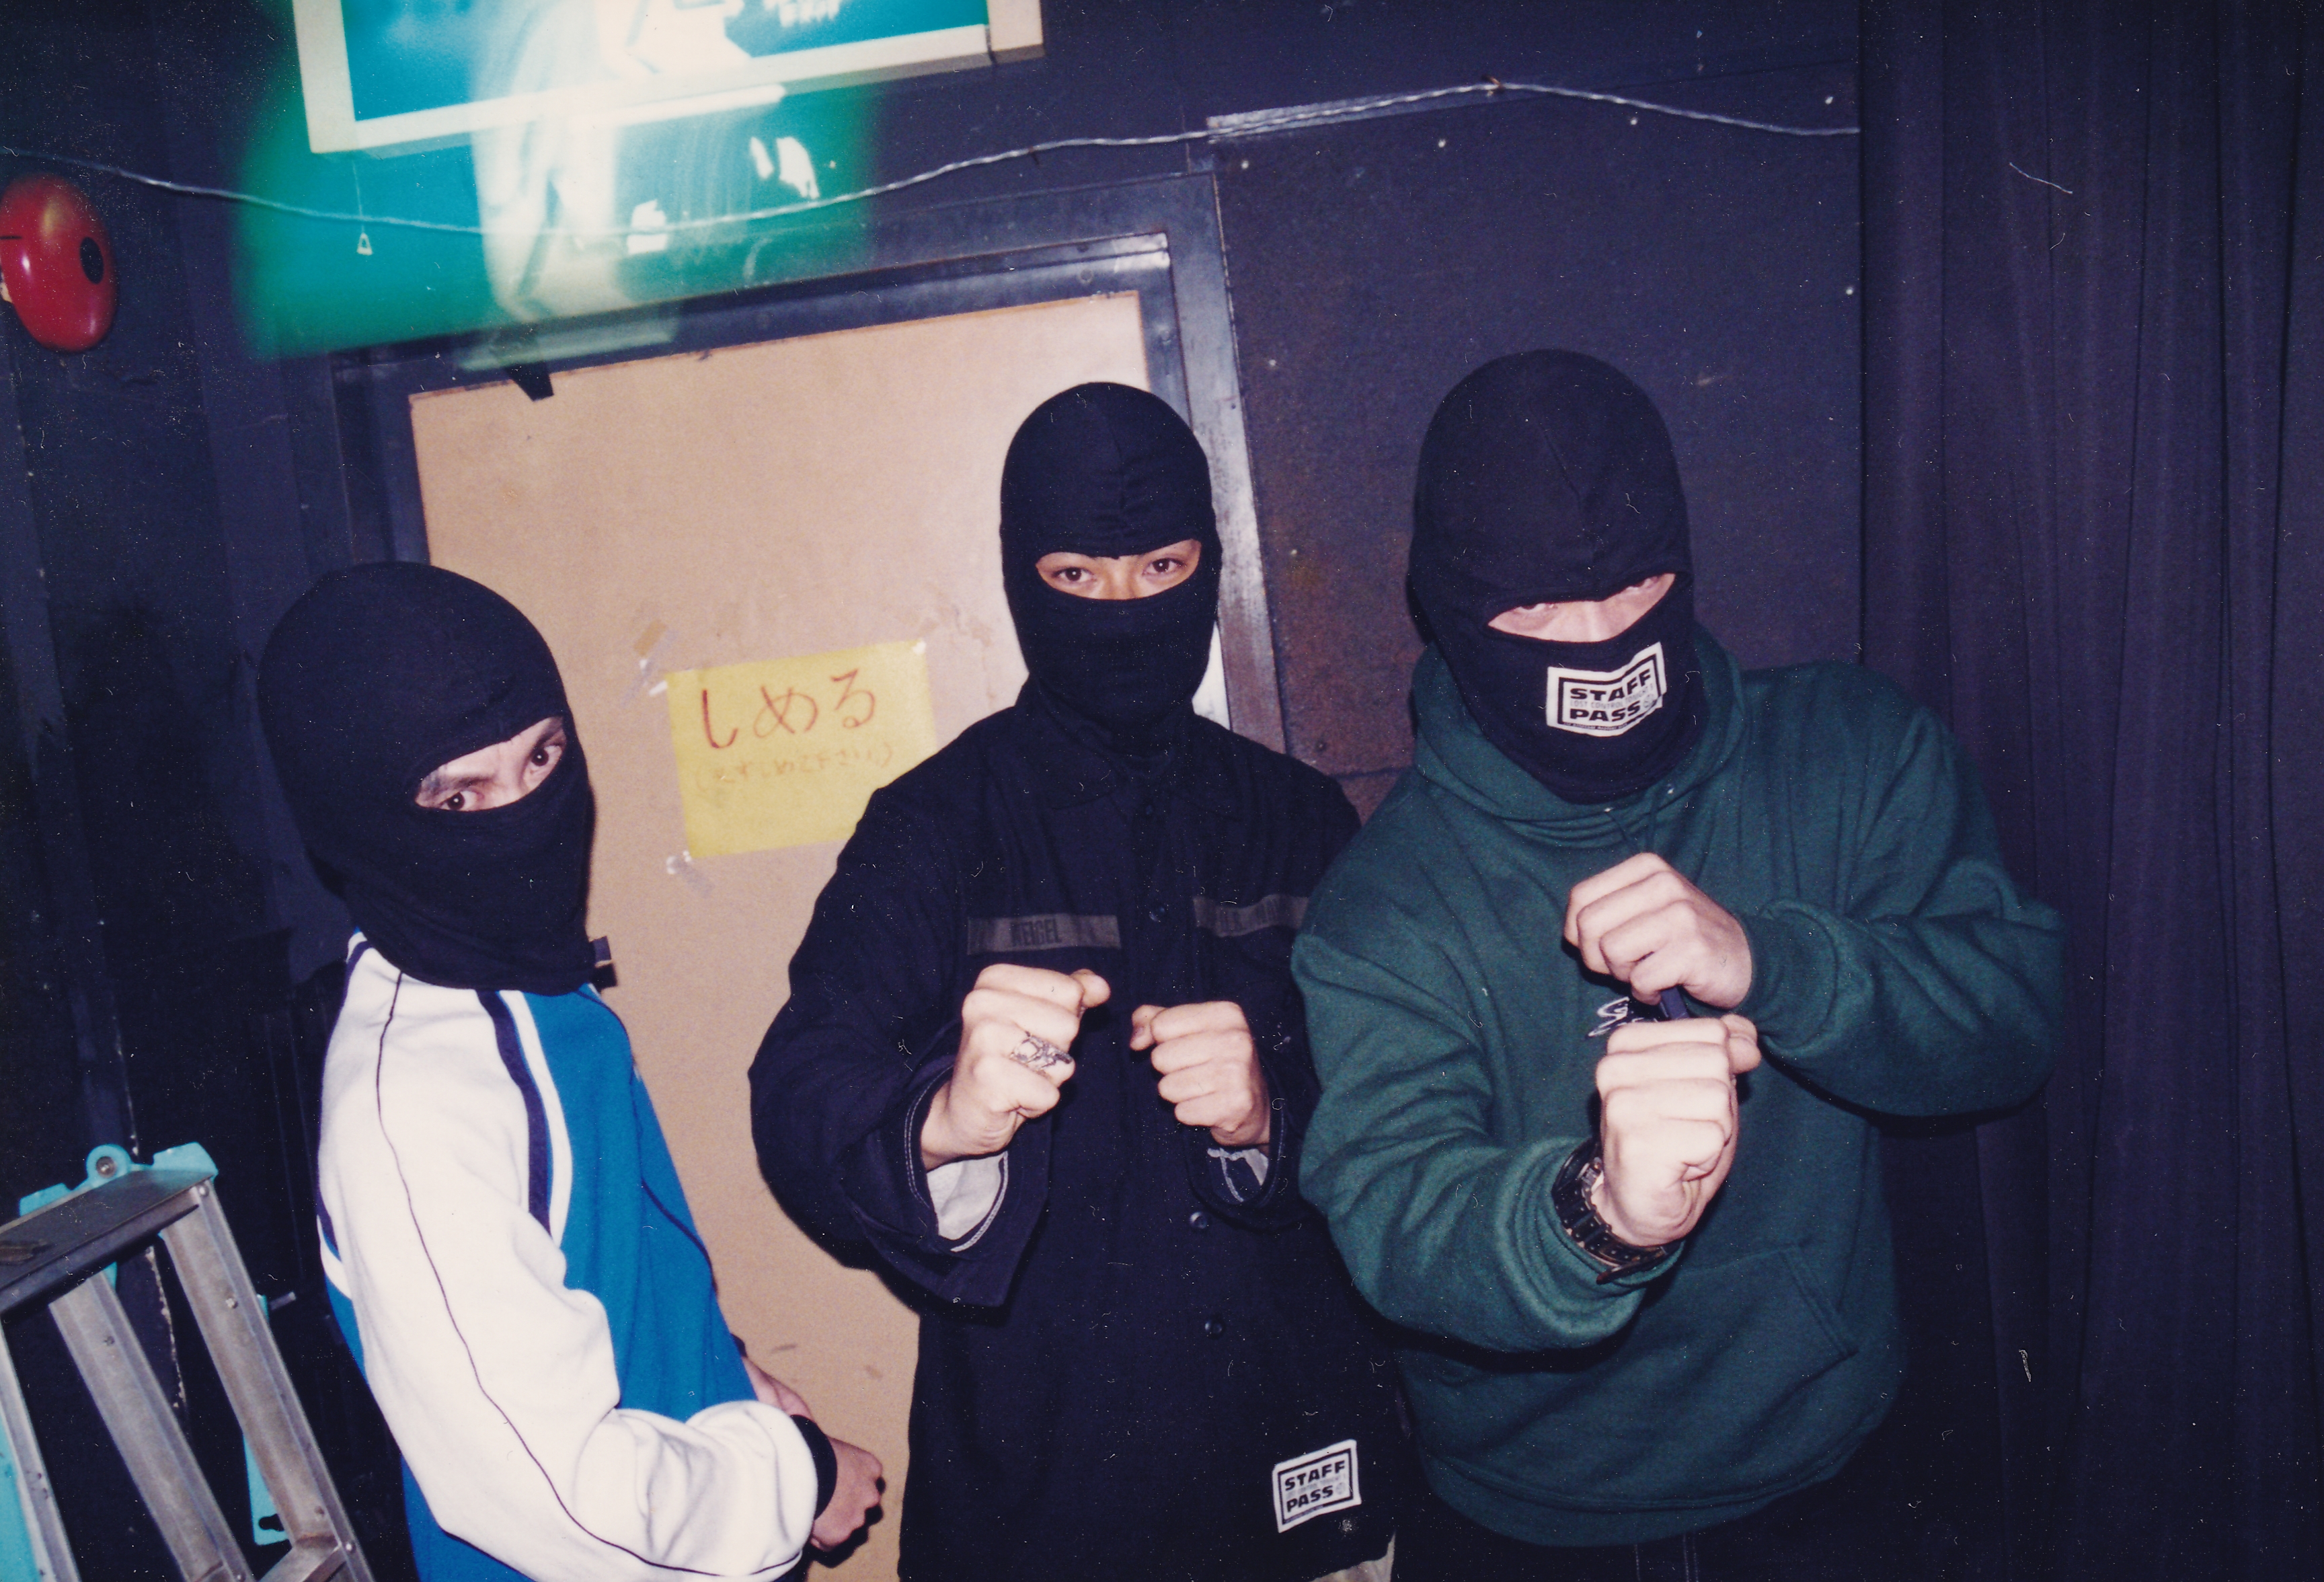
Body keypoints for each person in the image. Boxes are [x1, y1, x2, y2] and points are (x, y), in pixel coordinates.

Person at [1290, 351, 2064, 1579]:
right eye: (1535, 612)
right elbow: (1389, 1206)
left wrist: (1774, 963)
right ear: (1446, 609)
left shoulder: (1850, 750)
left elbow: (2015, 1018)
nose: (1599, 644)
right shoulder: (1386, 904)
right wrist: (1600, 1218)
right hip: (1535, 1514)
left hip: (1838, 1469)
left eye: (1636, 587)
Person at [749, 383, 1416, 1582]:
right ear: (1020, 579)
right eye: (1078, 577)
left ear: (1210, 567)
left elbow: (1407, 1109)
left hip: (1295, 1459)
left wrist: (1273, 1115)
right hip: (1042, 1491)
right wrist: (944, 1123)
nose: (1124, 610)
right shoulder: (934, 828)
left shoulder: (1299, 821)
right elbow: (799, 1091)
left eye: (1161, 566)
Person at [258, 562, 882, 1582]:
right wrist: (795, 1475)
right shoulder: (416, 1109)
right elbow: (562, 1503)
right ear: (359, 820)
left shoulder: (529, 992)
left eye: (542, 758)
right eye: (458, 795)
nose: (523, 817)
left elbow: (594, 1278)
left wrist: (731, 1381)